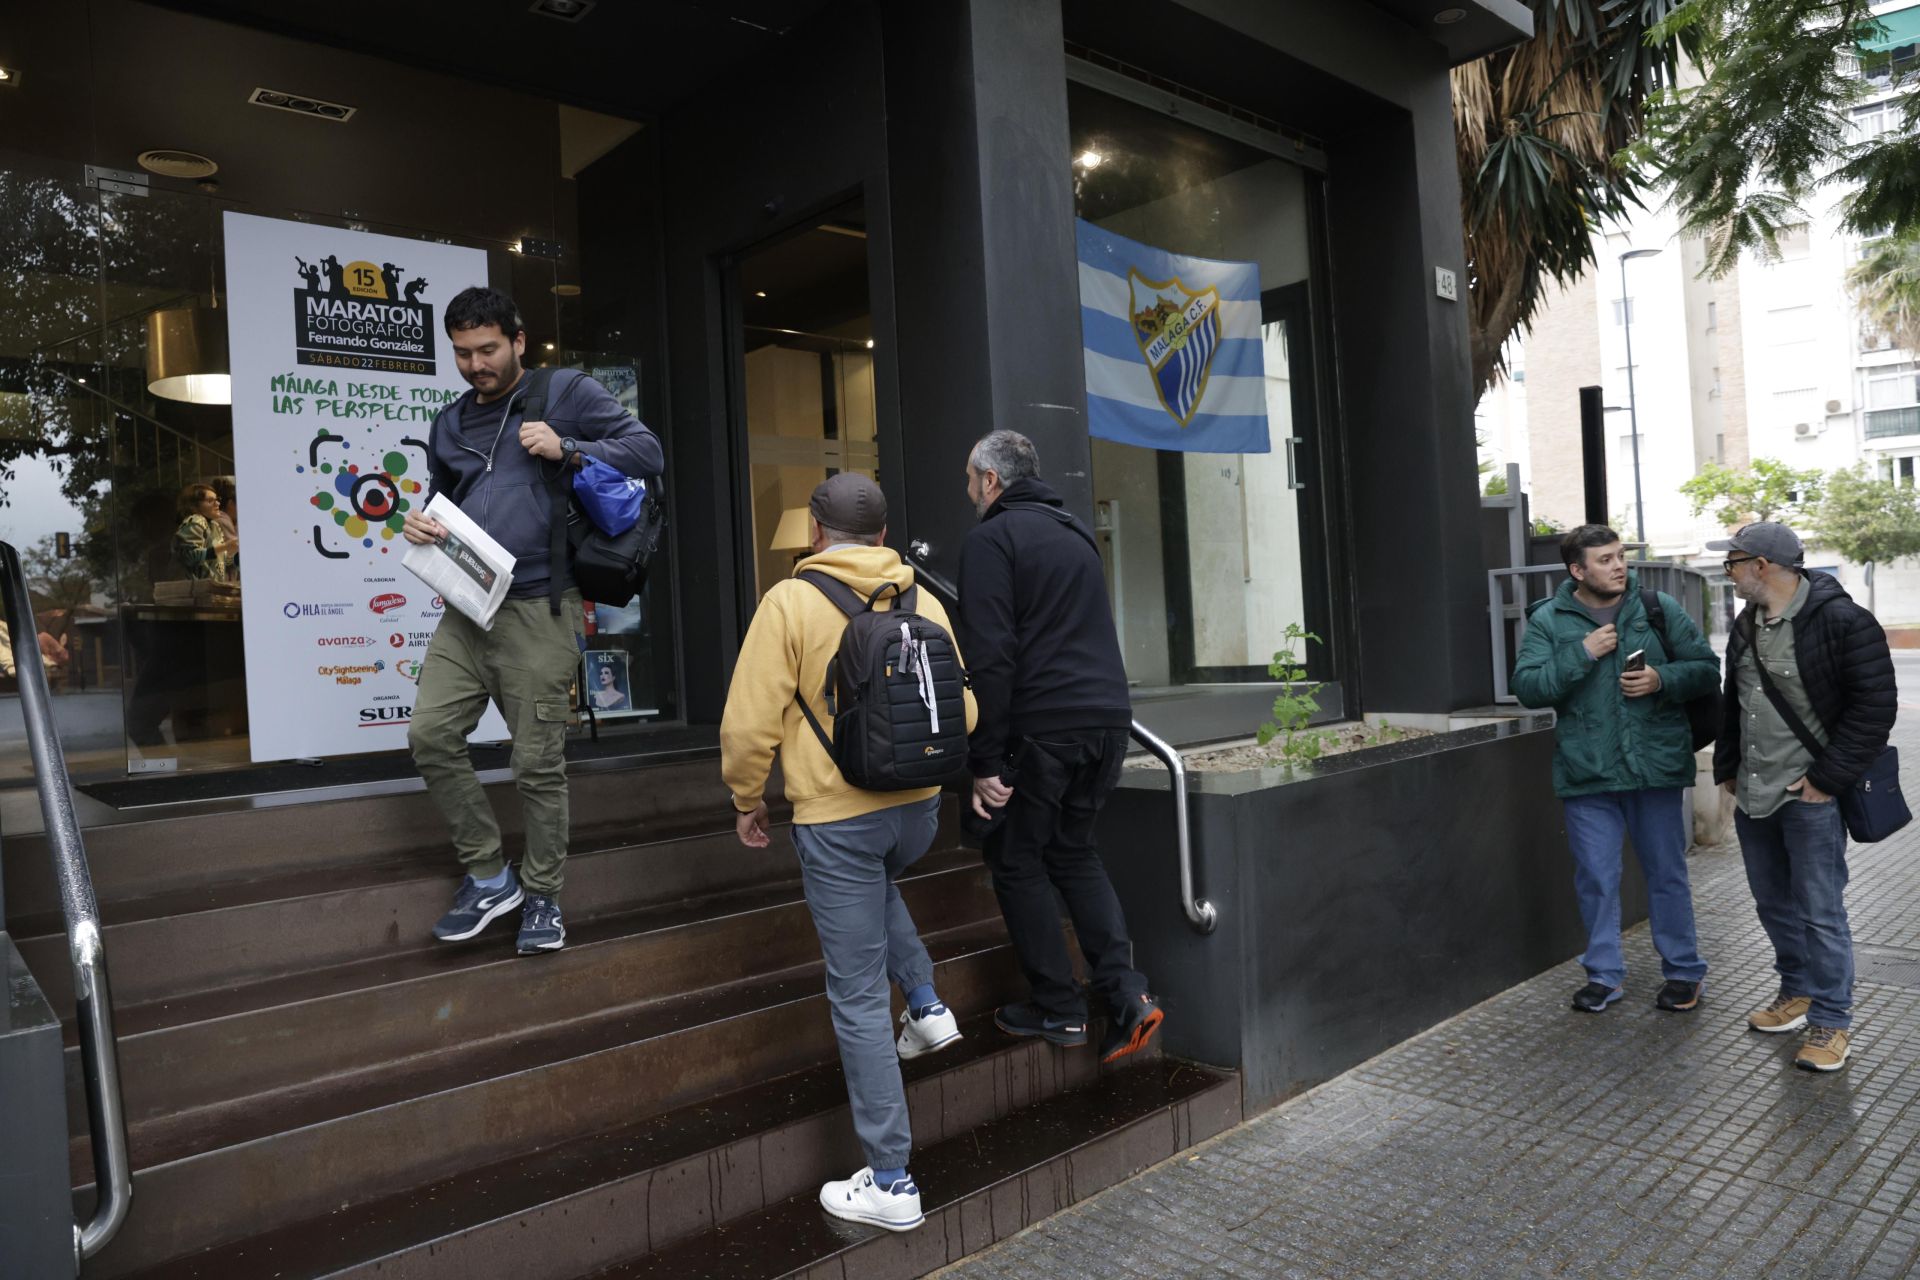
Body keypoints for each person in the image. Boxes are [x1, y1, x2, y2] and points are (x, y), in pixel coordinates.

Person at [720, 472, 973, 1233]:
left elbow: (746, 726)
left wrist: (745, 798)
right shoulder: (922, 599)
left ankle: (892, 1183)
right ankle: (927, 1006)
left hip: (837, 819)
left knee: (859, 997)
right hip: (922, 812)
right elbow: (963, 705)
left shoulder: (790, 602)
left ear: (815, 535)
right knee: (874, 891)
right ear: (886, 535)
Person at [404, 286, 662, 955]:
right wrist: (422, 520)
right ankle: (491, 877)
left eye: (487, 349)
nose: (475, 364)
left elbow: (647, 453)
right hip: (466, 607)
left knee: (536, 763)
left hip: (542, 607)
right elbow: (446, 494)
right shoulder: (450, 421)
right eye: (462, 353)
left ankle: (543, 894)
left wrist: (568, 447)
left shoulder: (564, 392)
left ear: (519, 341)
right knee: (430, 734)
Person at [956, 429, 1164, 1064]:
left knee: (1016, 859)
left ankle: (1059, 1008)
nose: (968, 493)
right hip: (1107, 721)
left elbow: (992, 658)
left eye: (970, 480)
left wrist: (985, 760)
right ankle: (1128, 996)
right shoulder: (1074, 533)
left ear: (991, 480)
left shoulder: (993, 539)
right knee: (1073, 853)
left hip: (1045, 726)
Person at [1511, 525, 1720, 1014]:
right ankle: (1604, 976)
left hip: (1655, 768)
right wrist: (1582, 653)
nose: (1618, 565)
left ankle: (1684, 972)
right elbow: (1528, 687)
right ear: (1577, 571)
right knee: (1597, 878)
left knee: (1666, 875)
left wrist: (1660, 679)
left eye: (1620, 556)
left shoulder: (1657, 608)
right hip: (1588, 773)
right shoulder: (1549, 620)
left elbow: (1706, 668)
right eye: (1604, 560)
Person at [1713, 522, 1896, 1071]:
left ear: (1762, 566)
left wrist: (1826, 779)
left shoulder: (1844, 621)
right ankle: (1797, 992)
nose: (1730, 573)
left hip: (1809, 795)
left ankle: (1833, 1022)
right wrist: (1727, 768)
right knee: (1772, 903)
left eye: (1732, 563)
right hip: (1753, 792)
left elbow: (1874, 710)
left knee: (1820, 910)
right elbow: (1733, 701)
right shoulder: (1746, 624)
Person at [173, 483, 234, 582]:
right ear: (194, 506)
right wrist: (225, 547)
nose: (217, 503)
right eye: (210, 501)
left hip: (212, 588)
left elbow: (221, 561)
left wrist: (231, 552)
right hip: (195, 591)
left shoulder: (214, 525)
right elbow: (189, 556)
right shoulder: (196, 521)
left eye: (217, 499)